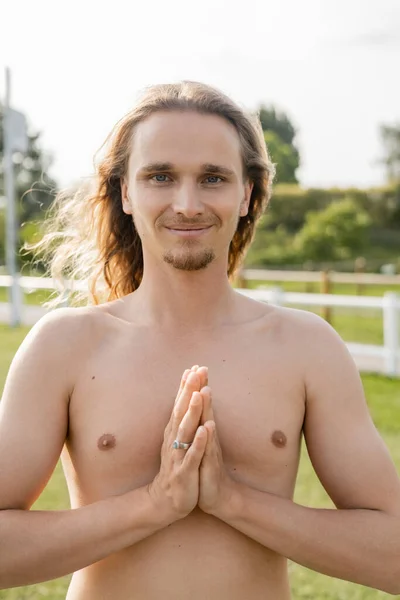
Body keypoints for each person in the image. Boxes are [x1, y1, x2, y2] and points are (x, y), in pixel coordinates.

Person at [0, 81, 399, 600]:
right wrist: (155, 503)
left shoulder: (307, 347)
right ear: (125, 191)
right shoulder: (65, 346)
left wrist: (233, 502)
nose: (187, 204)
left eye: (212, 178)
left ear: (246, 194)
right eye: (160, 176)